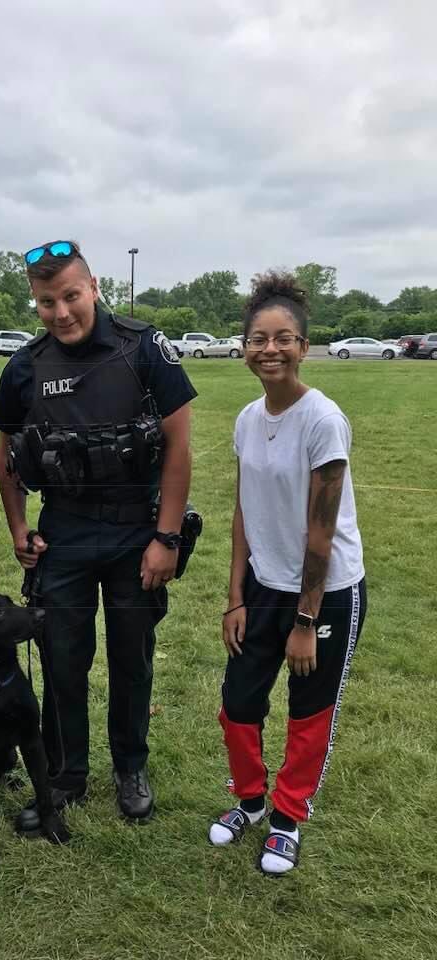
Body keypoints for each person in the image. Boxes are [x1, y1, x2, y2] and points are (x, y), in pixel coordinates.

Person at [0, 240, 196, 829]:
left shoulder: (143, 346)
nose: (61, 312)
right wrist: (17, 528)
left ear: (94, 286)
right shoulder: (25, 365)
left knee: (133, 656)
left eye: (71, 296)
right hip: (65, 532)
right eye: (46, 301)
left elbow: (180, 448)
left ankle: (131, 768)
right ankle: (66, 774)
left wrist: (167, 538)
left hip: (137, 529)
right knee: (62, 657)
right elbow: (6, 455)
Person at [210, 272, 367, 875]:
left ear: (304, 345)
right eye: (257, 339)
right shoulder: (249, 418)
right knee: (238, 703)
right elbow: (245, 509)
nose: (269, 349)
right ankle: (249, 803)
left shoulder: (323, 420)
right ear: (244, 345)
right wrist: (234, 596)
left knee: (309, 711)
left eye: (283, 339)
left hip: (324, 595)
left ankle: (286, 818)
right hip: (262, 587)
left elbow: (321, 532)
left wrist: (305, 620)